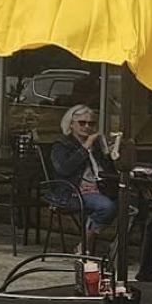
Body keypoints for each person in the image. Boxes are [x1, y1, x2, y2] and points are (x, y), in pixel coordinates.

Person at [50, 104, 119, 242]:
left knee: (134, 203)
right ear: (71, 124)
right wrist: (85, 147)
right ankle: (85, 245)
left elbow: (107, 171)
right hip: (73, 192)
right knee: (107, 207)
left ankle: (117, 250)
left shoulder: (97, 145)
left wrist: (110, 155)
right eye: (82, 123)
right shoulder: (61, 145)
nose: (87, 126)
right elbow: (64, 169)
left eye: (91, 123)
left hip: (101, 188)